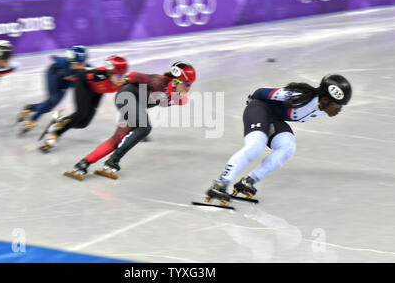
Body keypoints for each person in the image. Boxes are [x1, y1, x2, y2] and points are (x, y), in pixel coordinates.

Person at [205, 74, 352, 205]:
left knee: (287, 147)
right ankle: (220, 184)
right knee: (256, 145)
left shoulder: (321, 110)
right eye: (338, 105)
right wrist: (254, 110)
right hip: (258, 108)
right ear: (325, 99)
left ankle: (248, 180)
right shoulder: (297, 96)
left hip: (274, 119)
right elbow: (261, 92)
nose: (339, 110)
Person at [63, 62, 196, 180]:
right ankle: (113, 161)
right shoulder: (158, 81)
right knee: (145, 127)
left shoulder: (179, 98)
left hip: (135, 106)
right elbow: (133, 75)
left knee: (117, 138)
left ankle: (83, 163)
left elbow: (177, 100)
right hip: (126, 97)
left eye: (190, 85)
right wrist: (121, 79)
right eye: (186, 84)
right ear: (176, 81)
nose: (188, 89)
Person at [39, 55, 128, 153]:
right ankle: (55, 134)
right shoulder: (98, 75)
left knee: (83, 123)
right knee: (81, 113)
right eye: (118, 75)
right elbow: (80, 75)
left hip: (97, 92)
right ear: (109, 73)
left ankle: (60, 122)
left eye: (123, 74)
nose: (121, 78)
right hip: (83, 86)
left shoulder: (125, 82)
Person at [16, 46, 89, 135]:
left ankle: (30, 108)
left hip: (67, 80)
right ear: (71, 61)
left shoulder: (87, 67)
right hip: (54, 76)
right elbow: (54, 57)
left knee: (49, 107)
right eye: (78, 63)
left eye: (83, 63)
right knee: (53, 100)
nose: (81, 66)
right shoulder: (63, 63)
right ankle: (32, 119)